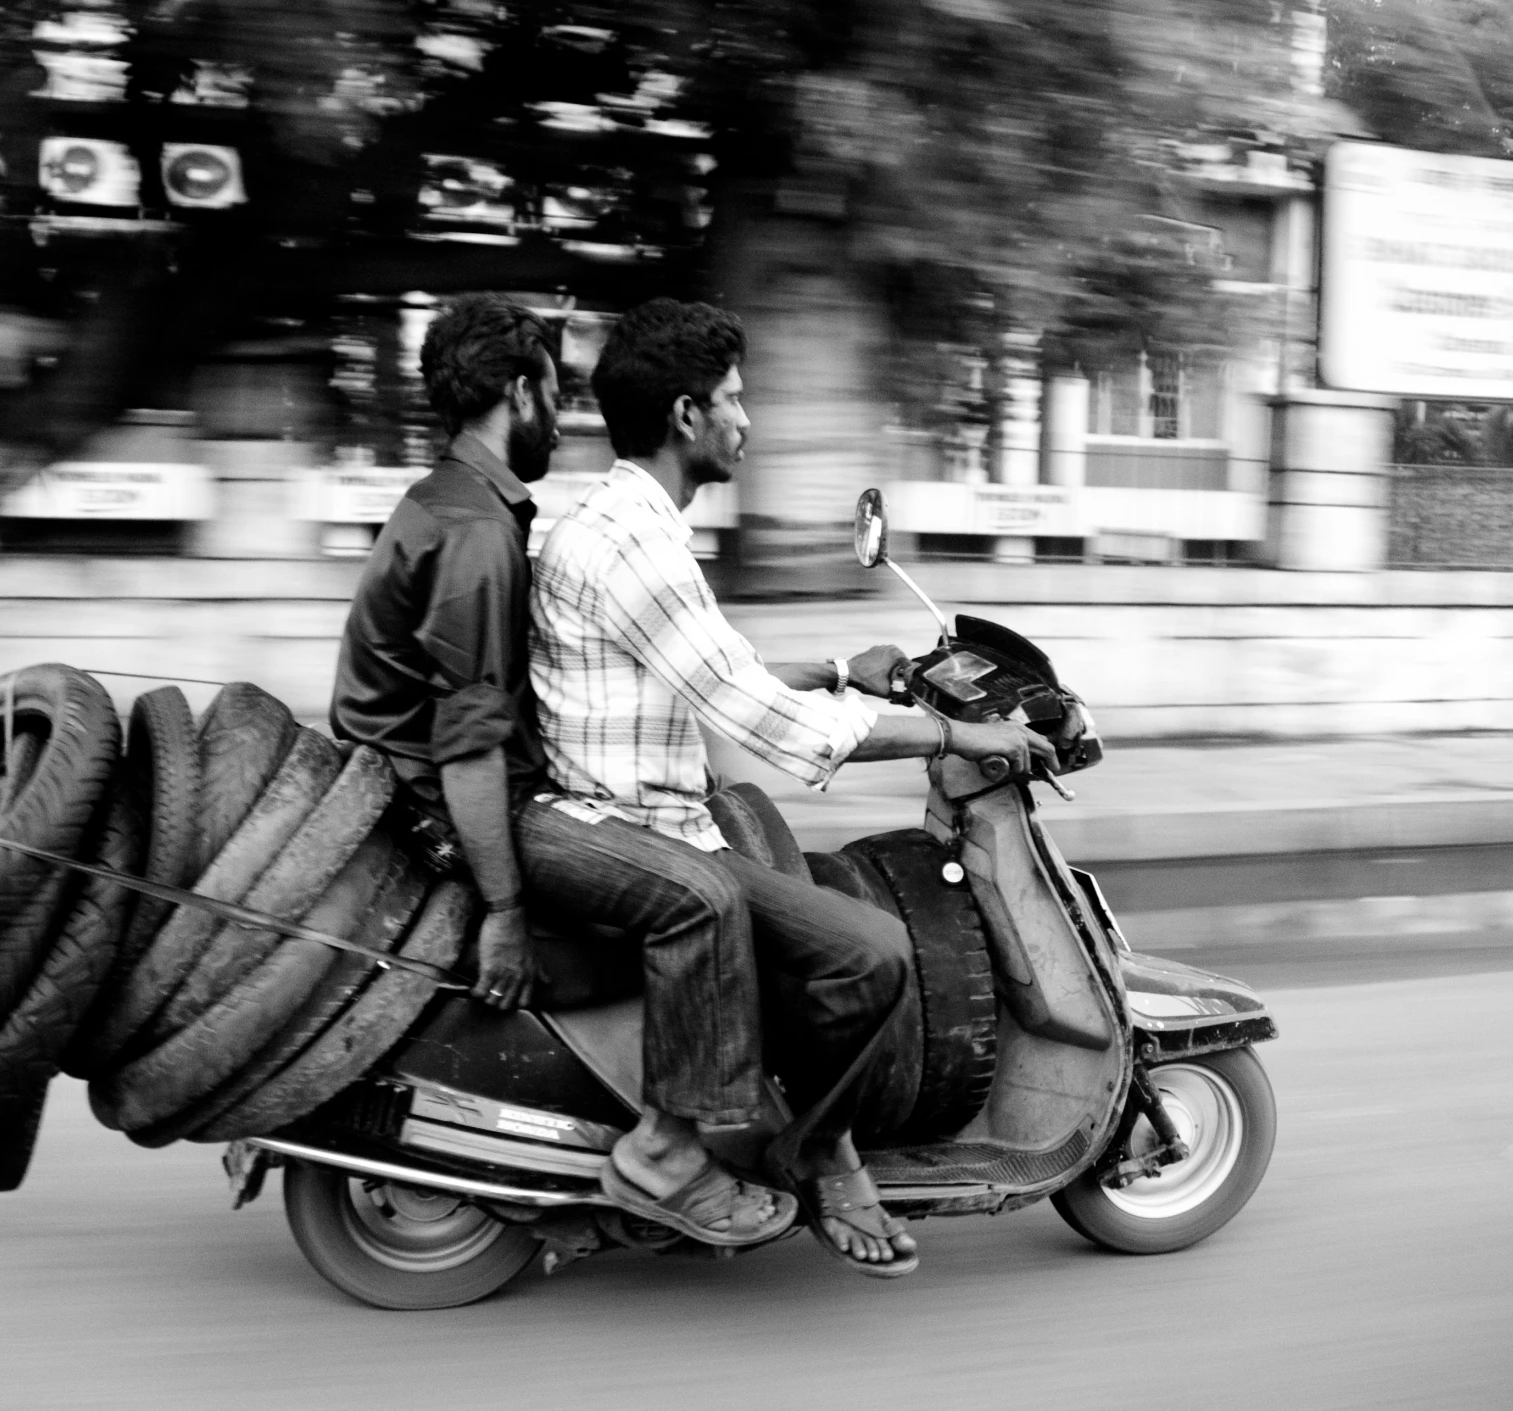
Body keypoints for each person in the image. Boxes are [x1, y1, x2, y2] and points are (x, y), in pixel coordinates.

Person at [526, 297, 1053, 1278]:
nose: (747, 418)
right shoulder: (638, 544)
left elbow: (699, 667)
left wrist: (836, 669)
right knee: (861, 945)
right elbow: (759, 721)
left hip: (649, 811)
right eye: (732, 398)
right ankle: (746, 1149)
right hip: (632, 828)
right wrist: (953, 730)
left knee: (842, 929)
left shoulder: (626, 521)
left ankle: (811, 1139)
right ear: (687, 416)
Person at [328, 294, 798, 1251]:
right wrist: (503, 911)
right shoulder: (473, 532)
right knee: (701, 898)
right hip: (442, 806)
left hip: (459, 781)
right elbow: (463, 745)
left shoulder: (466, 503)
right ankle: (671, 1155)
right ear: (518, 390)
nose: (564, 415)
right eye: (552, 391)